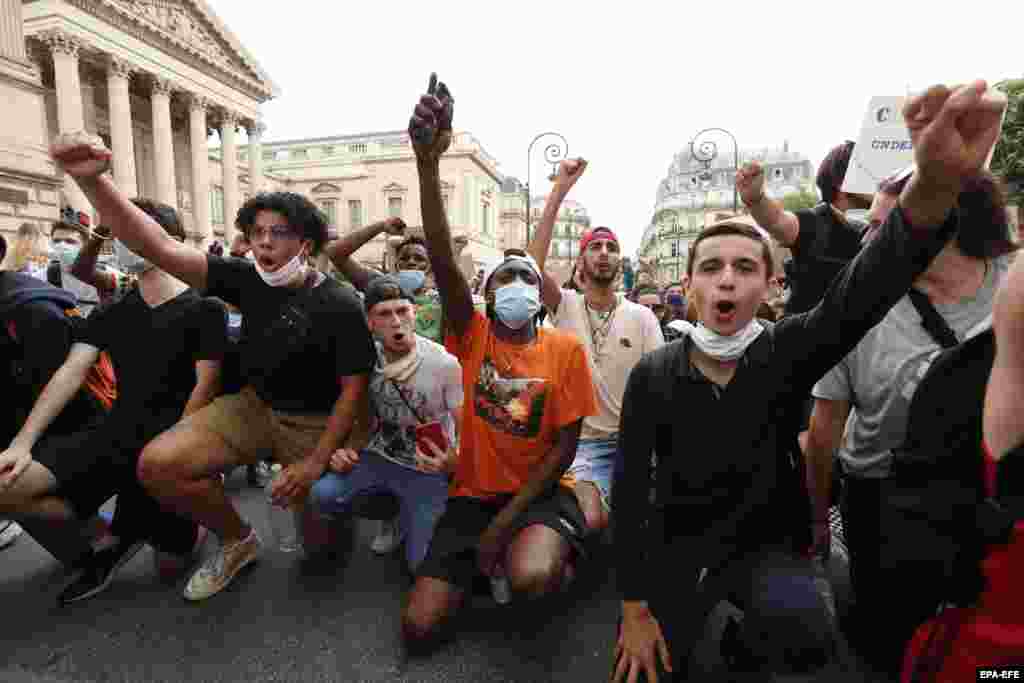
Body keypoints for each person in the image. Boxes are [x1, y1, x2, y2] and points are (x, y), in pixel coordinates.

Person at [611, 80, 1004, 683]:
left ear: (770, 287)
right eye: (710, 267)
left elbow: (873, 280)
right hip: (676, 548)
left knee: (807, 638)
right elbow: (632, 494)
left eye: (745, 267)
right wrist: (633, 608)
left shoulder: (788, 348)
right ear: (687, 286)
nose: (726, 280)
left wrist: (934, 184)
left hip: (768, 548)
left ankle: (753, 635)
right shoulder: (651, 374)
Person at [48, 132, 378, 602]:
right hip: (254, 408)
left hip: (313, 422)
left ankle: (332, 514)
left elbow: (353, 392)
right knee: (159, 464)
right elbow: (160, 245)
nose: (264, 243)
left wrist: (313, 464)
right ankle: (237, 539)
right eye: (257, 232)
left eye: (278, 233)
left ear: (305, 243)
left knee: (321, 555)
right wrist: (95, 183)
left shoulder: (340, 302)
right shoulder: (242, 277)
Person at [401, 75, 596, 649]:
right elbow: (439, 252)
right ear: (486, 296)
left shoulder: (564, 349)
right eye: (503, 278)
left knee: (533, 580)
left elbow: (564, 447)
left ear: (540, 295)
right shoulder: (474, 334)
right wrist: (427, 164)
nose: (515, 284)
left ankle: (556, 556)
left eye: (525, 278)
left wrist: (504, 525)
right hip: (471, 494)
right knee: (417, 628)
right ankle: (490, 570)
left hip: (537, 493)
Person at [805, 169, 1016, 675]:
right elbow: (822, 435)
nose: (869, 239)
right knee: (890, 642)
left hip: (994, 500)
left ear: (940, 225)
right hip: (883, 504)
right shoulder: (854, 306)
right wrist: (816, 519)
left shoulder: (1017, 285)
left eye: (883, 226)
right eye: (870, 227)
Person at [0, 198, 224, 604]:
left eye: (134, 230)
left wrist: (181, 453)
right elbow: (69, 372)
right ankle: (114, 533)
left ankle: (190, 512)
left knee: (171, 565)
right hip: (113, 434)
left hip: (171, 443)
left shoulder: (204, 308)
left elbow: (203, 387)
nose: (126, 242)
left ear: (168, 242)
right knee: (6, 484)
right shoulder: (113, 310)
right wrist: (22, 443)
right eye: (120, 232)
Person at [527, 159, 663, 534]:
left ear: (619, 261)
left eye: (611, 247)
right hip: (582, 447)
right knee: (592, 519)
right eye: (596, 246)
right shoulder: (566, 305)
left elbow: (659, 386)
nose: (604, 251)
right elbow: (530, 270)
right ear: (582, 261)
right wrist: (559, 192)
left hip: (633, 442)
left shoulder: (642, 317)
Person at [307, 274, 462, 571]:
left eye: (402, 311)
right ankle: (393, 515)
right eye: (384, 314)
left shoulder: (443, 364)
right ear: (370, 323)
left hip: (427, 470)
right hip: (379, 457)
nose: (396, 321)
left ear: (414, 313)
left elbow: (465, 424)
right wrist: (347, 451)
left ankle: (414, 516)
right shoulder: (365, 359)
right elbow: (362, 417)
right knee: (323, 494)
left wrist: (457, 462)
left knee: (422, 566)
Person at [737, 140, 871, 317]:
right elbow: (777, 221)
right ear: (843, 180)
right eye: (869, 172)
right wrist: (756, 199)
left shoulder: (887, 225)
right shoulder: (816, 221)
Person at [46, 208, 104, 315]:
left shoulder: (102, 272)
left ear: (84, 245)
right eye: (56, 241)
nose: (62, 246)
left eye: (70, 241)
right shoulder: (51, 273)